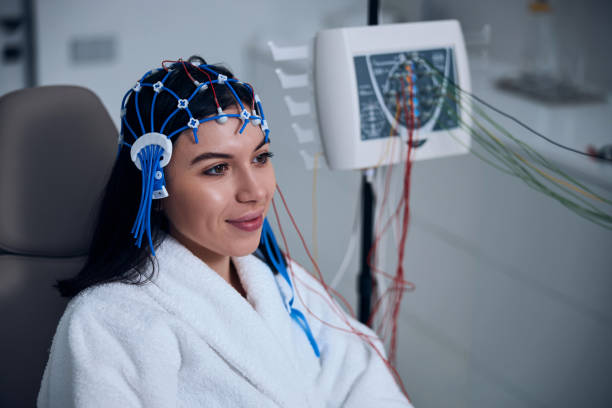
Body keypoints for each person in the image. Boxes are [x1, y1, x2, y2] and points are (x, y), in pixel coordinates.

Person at [37, 56, 413, 407]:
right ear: (155, 186)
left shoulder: (281, 281)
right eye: (217, 168)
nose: (255, 191)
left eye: (260, 158)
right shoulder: (108, 322)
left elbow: (365, 380)